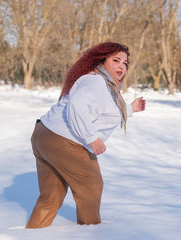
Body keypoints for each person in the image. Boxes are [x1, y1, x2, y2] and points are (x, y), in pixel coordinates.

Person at [26, 42, 145, 228]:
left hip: (44, 134)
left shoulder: (101, 83)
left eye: (125, 63)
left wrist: (131, 109)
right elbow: (78, 105)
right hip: (64, 141)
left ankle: (33, 236)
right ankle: (90, 238)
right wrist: (91, 138)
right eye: (116, 60)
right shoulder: (95, 81)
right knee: (91, 187)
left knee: (51, 195)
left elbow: (103, 111)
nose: (122, 66)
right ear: (101, 60)